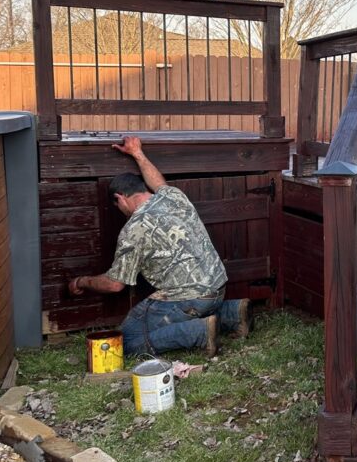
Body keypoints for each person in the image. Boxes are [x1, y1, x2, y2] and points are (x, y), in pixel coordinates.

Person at [69, 136, 251, 357]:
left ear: (120, 198)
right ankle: (232, 313)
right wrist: (137, 153)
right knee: (187, 305)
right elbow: (158, 182)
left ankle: (199, 332)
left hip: (190, 298)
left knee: (127, 341)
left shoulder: (134, 229)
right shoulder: (173, 196)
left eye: (117, 205)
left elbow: (115, 285)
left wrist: (82, 281)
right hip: (218, 286)